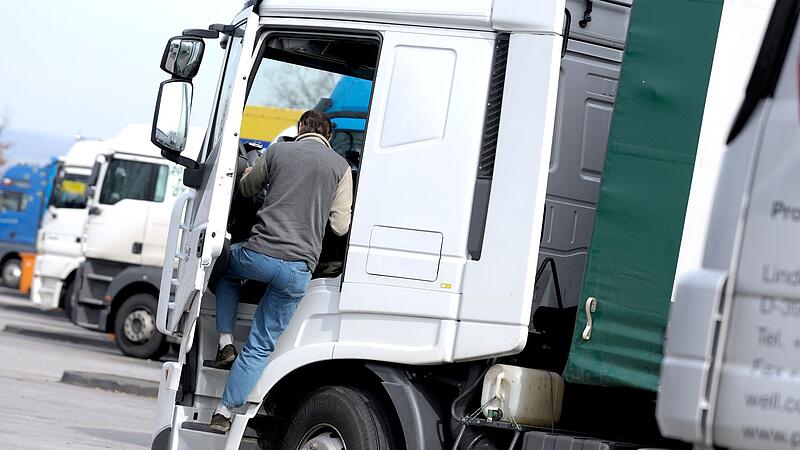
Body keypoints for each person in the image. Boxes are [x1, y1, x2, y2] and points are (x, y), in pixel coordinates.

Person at [210, 110, 353, 432]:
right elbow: (340, 227)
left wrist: (254, 173)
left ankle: (224, 340)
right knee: (261, 344)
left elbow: (246, 190)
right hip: (298, 270)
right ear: (329, 136)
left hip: (257, 256)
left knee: (224, 267)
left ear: (301, 127)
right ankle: (223, 413)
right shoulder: (341, 168)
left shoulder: (277, 151)